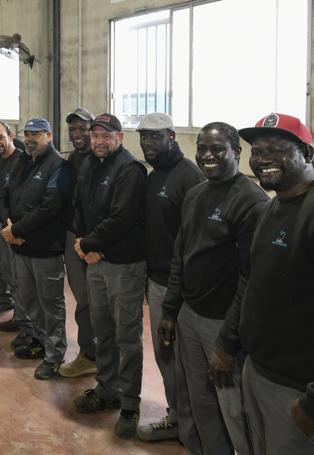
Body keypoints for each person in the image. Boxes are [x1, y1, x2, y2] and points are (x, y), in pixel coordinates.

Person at [159, 122, 268, 455]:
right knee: (200, 401)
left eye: (217, 149)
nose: (207, 155)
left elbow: (250, 280)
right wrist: (170, 310)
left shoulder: (252, 202)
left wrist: (228, 343)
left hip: (223, 324)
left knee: (234, 409)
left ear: (236, 153)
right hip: (190, 316)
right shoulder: (195, 193)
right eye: (202, 148)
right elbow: (181, 254)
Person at [209, 113, 314, 454]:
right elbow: (250, 281)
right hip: (256, 369)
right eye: (257, 149)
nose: (263, 157)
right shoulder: (271, 209)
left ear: (307, 154)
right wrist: (226, 343)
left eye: (277, 149)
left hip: (295, 386)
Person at [71, 113, 147, 439]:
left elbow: (122, 218)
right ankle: (107, 388)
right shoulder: (89, 163)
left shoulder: (130, 170)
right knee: (103, 329)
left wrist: (88, 243)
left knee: (126, 336)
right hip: (95, 262)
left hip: (124, 266)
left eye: (106, 136)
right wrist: (86, 247)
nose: (99, 141)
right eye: (95, 136)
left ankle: (129, 404)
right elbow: (79, 206)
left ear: (120, 138)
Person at [135, 112, 204, 443]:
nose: (147, 143)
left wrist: (177, 294)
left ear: (172, 136)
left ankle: (188, 425)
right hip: (157, 279)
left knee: (178, 356)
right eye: (143, 137)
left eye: (155, 136)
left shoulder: (188, 177)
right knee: (165, 354)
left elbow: (195, 241)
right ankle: (179, 417)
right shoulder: (155, 174)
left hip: (178, 287)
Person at [0, 117, 72, 380]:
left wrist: (16, 230)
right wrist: (9, 226)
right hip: (21, 246)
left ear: (50, 136)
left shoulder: (59, 166)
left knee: (50, 302)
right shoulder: (24, 161)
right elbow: (7, 194)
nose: (30, 139)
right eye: (27, 134)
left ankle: (54, 355)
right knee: (29, 299)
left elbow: (50, 207)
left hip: (45, 248)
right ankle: (40, 340)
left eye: (37, 134)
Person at [59, 107, 97, 379]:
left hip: (95, 241)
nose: (77, 134)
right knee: (83, 299)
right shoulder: (72, 159)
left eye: (82, 129)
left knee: (96, 301)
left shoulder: (101, 159)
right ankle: (88, 353)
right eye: (72, 130)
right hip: (73, 237)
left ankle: (99, 354)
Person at [0, 121, 26, 336]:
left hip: (15, 228)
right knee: (9, 273)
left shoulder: (22, 161)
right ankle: (20, 316)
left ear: (11, 135)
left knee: (20, 277)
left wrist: (14, 227)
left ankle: (26, 322)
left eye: (0, 137)